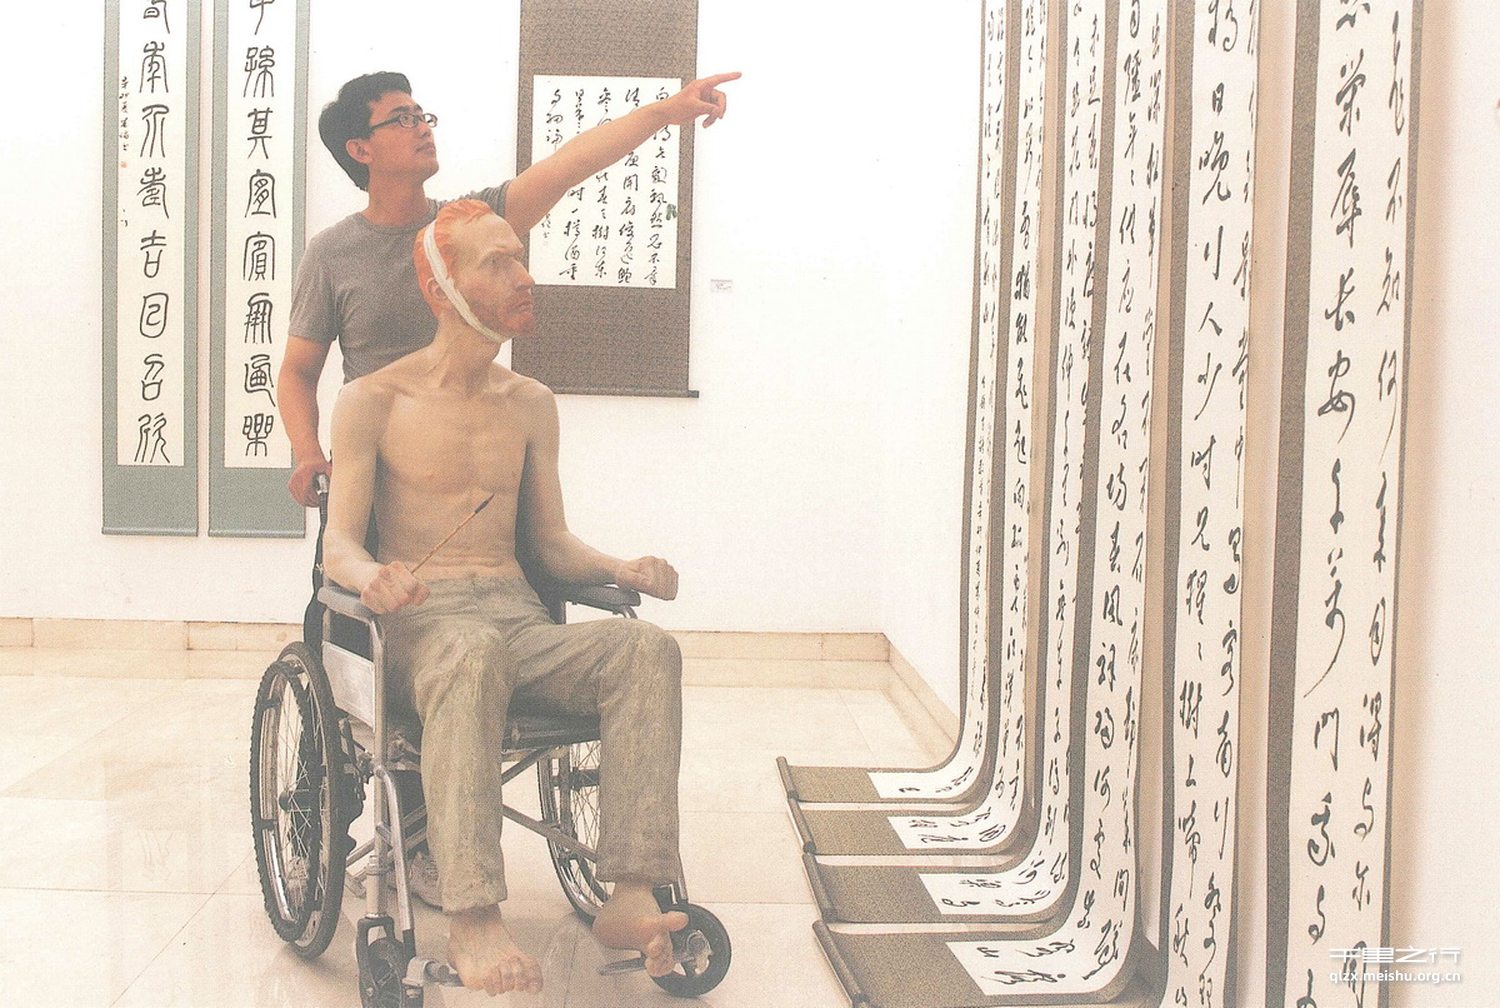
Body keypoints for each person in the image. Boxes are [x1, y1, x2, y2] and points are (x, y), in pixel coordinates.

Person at [323, 198, 686, 996]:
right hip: (424, 627)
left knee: (646, 648)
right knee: (471, 649)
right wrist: (370, 574)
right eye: (498, 263)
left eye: (520, 258)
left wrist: (621, 568)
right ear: (439, 285)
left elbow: (551, 543)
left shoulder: (530, 402)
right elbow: (337, 542)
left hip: (517, 619)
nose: (524, 277)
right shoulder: (375, 400)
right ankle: (474, 915)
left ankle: (630, 892)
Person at [281, 68, 739, 507]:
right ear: (360, 149)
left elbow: (569, 165)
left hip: (473, 462)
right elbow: (298, 372)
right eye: (402, 119)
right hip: (374, 471)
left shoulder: (470, 226)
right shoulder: (330, 253)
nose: (422, 128)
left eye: (422, 116)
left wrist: (665, 112)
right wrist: (307, 453)